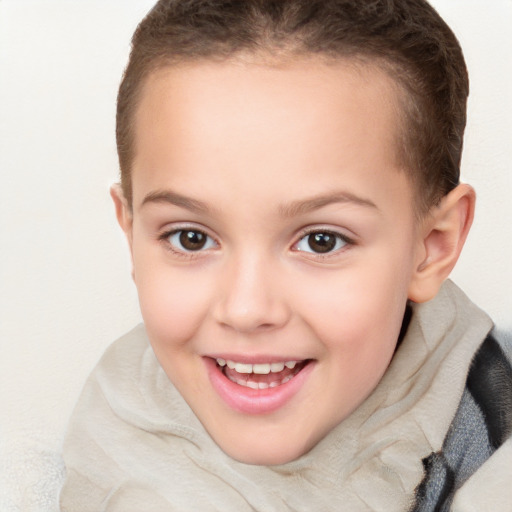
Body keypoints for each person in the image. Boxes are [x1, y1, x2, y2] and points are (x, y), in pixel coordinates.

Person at [59, 0, 512, 510]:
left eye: (322, 240)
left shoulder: (492, 463)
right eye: (190, 238)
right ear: (131, 231)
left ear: (433, 246)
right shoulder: (112, 425)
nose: (247, 309)